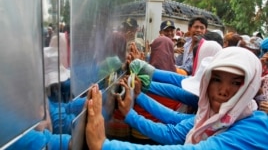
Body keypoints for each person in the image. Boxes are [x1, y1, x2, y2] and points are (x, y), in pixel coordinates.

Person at [85, 47, 268, 149]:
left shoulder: (255, 129)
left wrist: (105, 146)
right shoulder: (213, 119)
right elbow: (176, 125)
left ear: (250, 88)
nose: (223, 90)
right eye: (216, 79)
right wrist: (139, 95)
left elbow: (180, 138)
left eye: (236, 83)